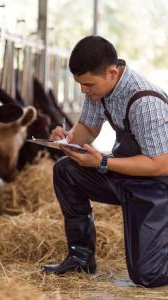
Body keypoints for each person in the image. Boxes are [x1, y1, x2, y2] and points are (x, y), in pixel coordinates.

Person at [44, 35, 168, 288]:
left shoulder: (145, 101)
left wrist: (102, 163)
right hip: (128, 175)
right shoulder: (98, 92)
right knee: (66, 171)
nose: (83, 90)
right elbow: (87, 131)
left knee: (148, 276)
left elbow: (160, 164)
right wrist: (66, 139)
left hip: (158, 185)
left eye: (88, 84)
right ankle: (81, 258)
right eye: (80, 84)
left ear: (113, 72)